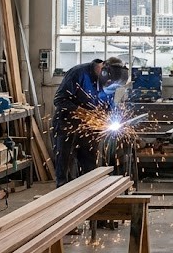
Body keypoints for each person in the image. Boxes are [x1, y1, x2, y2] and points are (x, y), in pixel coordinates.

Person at [51, 57, 127, 187]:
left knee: (89, 165)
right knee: (65, 164)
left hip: (90, 129)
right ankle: (62, 195)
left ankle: (87, 195)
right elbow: (59, 100)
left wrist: (113, 119)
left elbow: (108, 105)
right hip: (67, 125)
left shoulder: (109, 83)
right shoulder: (78, 73)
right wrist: (82, 113)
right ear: (103, 72)